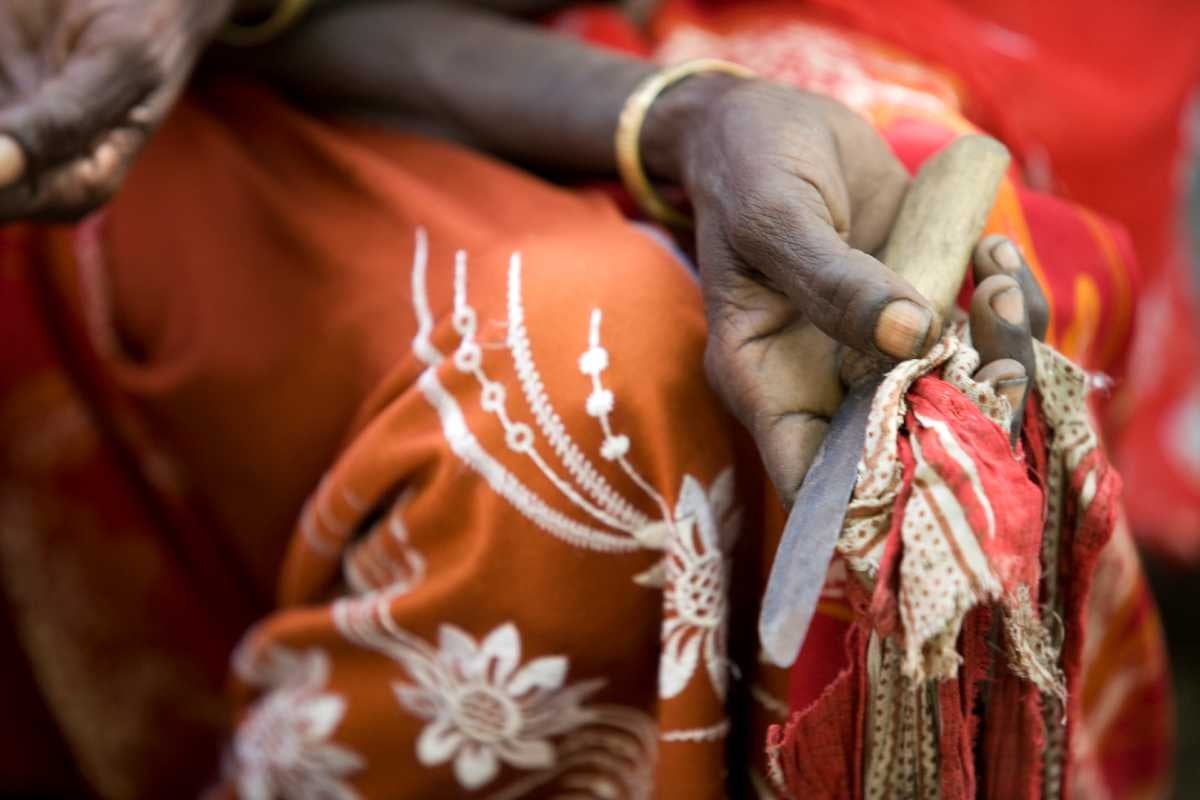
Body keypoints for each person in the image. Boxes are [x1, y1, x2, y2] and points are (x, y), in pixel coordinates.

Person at [0, 0, 1172, 797]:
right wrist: (674, 116)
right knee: (581, 403)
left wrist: (691, 112)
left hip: (714, 37)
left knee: (961, 276)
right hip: (215, 81)